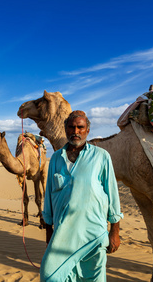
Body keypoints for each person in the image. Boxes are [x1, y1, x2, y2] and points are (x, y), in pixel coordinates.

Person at [40, 110, 123, 282]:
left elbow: (112, 194)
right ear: (66, 129)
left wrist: (115, 231)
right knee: (49, 276)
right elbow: (49, 196)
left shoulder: (101, 157)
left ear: (87, 130)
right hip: (63, 236)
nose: (75, 132)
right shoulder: (56, 158)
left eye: (80, 127)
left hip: (92, 235)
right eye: (71, 127)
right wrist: (49, 232)